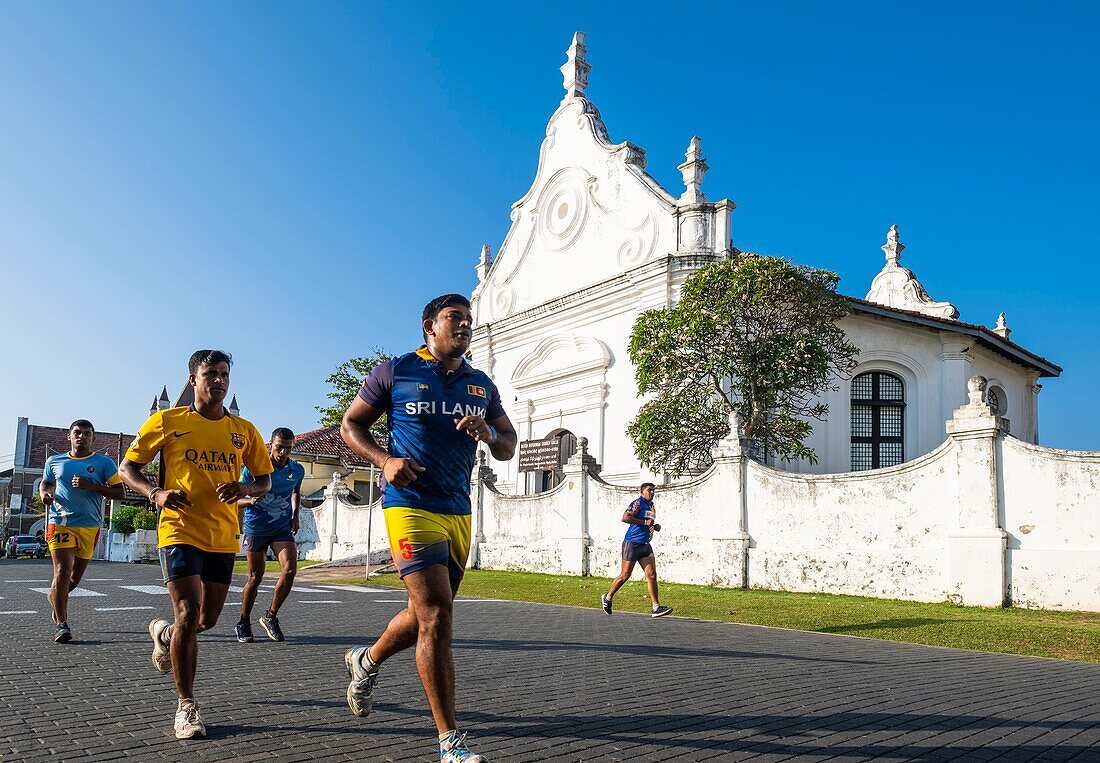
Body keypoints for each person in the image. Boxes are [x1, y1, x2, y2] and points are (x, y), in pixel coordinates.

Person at [340, 294, 517, 763]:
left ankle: (366, 659)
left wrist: (489, 434)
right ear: (428, 326)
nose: (463, 326)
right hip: (410, 504)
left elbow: (509, 445)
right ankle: (450, 742)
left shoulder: (481, 384)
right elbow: (350, 424)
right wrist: (383, 460)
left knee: (424, 614)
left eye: (468, 320)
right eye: (453, 318)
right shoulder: (395, 371)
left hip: (458, 509)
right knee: (437, 616)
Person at [118, 349, 272, 740]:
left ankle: (165, 636)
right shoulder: (167, 421)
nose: (218, 380)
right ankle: (187, 706)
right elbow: (127, 468)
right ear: (193, 380)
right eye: (210, 374)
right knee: (188, 609)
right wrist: (155, 493)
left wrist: (246, 487)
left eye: (224, 374)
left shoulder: (244, 430)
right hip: (178, 530)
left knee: (206, 621)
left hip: (222, 535)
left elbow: (264, 481)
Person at [39, 420, 124, 643]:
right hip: (60, 522)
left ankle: (55, 599)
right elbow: (46, 483)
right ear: (69, 436)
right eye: (77, 433)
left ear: (93, 438)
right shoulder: (54, 461)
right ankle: (62, 624)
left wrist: (92, 486)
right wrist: (44, 494)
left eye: (87, 434)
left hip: (90, 525)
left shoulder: (103, 463)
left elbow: (120, 492)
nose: (82, 437)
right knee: (62, 572)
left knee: (74, 578)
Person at [235, 427, 304, 643]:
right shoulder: (253, 469)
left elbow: (296, 491)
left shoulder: (297, 470)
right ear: (270, 446)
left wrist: (295, 516)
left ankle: (270, 616)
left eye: (288, 448)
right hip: (256, 527)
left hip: (281, 527)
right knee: (256, 577)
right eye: (279, 448)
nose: (283, 452)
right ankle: (243, 622)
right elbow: (236, 499)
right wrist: (250, 501)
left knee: (290, 569)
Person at [601, 483, 673, 618]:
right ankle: (608, 597)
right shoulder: (637, 503)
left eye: (653, 490)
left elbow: (648, 522)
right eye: (649, 490)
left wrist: (654, 526)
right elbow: (625, 517)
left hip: (645, 544)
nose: (652, 492)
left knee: (651, 575)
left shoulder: (651, 506)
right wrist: (645, 523)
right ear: (642, 492)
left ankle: (656, 607)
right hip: (632, 543)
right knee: (625, 575)